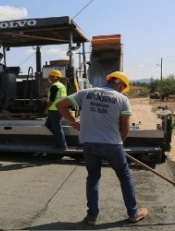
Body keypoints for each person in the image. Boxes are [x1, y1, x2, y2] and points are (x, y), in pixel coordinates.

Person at [56, 71, 148, 225]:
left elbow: (60, 105)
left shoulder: (85, 93)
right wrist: (119, 142)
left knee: (93, 178)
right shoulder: (122, 99)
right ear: (119, 83)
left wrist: (73, 121)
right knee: (124, 176)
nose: (121, 90)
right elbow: (125, 128)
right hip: (112, 144)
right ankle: (133, 213)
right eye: (122, 87)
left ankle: (92, 216)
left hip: (89, 143)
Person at [44, 69, 68, 150]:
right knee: (48, 125)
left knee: (57, 127)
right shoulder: (61, 85)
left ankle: (62, 145)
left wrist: (46, 109)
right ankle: (60, 140)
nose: (49, 78)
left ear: (55, 77)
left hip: (55, 109)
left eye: (51, 77)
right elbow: (57, 96)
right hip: (59, 108)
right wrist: (45, 98)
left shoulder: (54, 86)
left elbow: (52, 100)